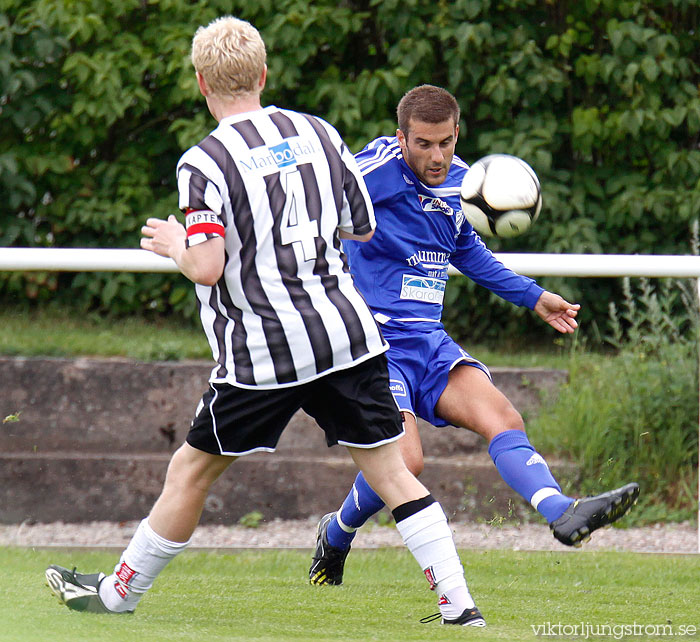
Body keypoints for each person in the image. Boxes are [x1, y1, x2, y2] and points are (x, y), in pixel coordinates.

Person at [44, 19, 487, 627]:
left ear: (201, 82)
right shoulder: (319, 133)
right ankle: (460, 607)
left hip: (264, 352)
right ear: (263, 74)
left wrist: (175, 243)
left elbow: (205, 266)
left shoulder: (204, 160)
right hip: (345, 336)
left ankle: (117, 594)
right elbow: (362, 227)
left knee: (190, 471)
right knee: (388, 471)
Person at [308, 84, 640, 586]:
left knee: (502, 416)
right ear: (401, 138)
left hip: (427, 341)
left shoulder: (464, 186)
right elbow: (310, 210)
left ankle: (561, 512)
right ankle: (336, 534)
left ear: (457, 133)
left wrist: (535, 297)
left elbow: (468, 253)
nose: (436, 155)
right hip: (371, 343)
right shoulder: (370, 172)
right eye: (423, 143)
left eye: (445, 142)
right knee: (407, 460)